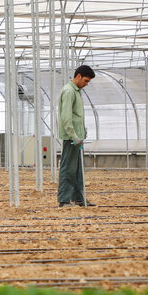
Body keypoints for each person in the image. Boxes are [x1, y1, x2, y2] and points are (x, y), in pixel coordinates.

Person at [58, 64, 95, 208]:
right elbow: (66, 117)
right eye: (86, 81)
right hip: (71, 138)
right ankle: (64, 200)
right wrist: (73, 136)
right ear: (78, 76)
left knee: (78, 169)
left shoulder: (77, 91)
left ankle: (78, 199)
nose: (86, 84)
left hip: (78, 137)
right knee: (68, 168)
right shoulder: (69, 92)